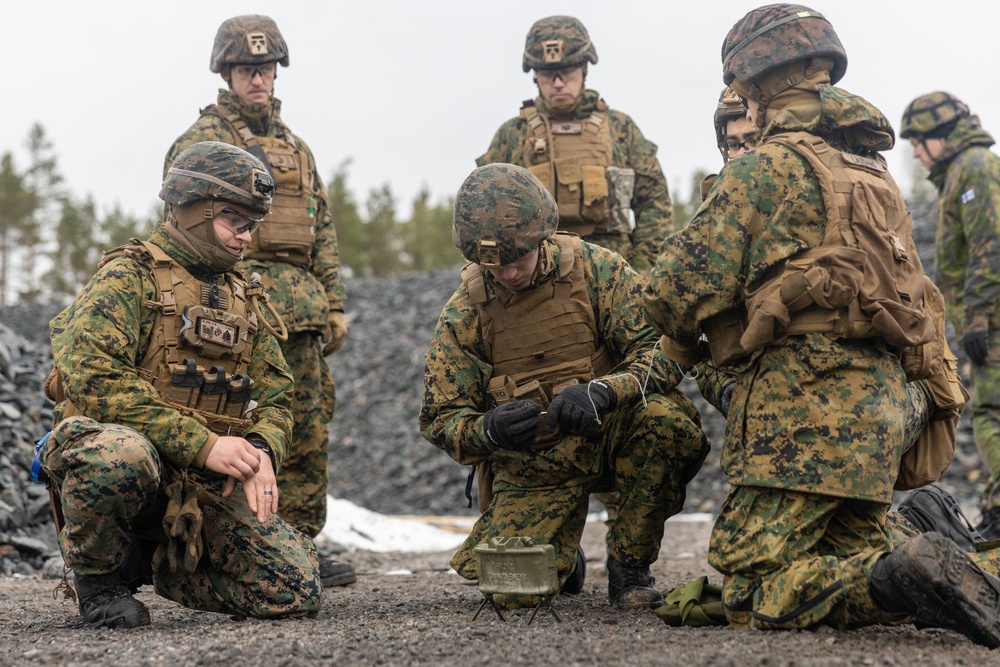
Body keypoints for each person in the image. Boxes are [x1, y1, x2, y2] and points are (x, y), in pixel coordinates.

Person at [644, 3, 1000, 648]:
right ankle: (955, 571)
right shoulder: (873, 173)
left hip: (805, 408)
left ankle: (907, 575)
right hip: (883, 409)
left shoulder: (769, 167)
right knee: (850, 549)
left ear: (753, 81)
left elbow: (673, 292)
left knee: (755, 587)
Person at [40, 141, 321, 629]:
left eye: (252, 226)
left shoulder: (243, 296)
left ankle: (151, 563)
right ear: (194, 211)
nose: (244, 239)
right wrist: (203, 443)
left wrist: (260, 449)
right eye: (236, 222)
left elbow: (278, 395)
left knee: (294, 589)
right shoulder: (127, 277)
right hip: (127, 464)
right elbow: (94, 377)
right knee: (121, 455)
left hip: (198, 481)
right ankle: (99, 580)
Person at [419, 163, 709, 609]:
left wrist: (607, 390)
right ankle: (563, 555)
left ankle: (629, 566)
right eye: (494, 265)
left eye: (518, 260)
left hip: (612, 435)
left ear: (542, 238)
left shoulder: (598, 271)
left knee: (667, 425)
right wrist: (488, 430)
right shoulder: (464, 314)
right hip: (536, 464)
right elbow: (440, 417)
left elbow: (664, 350)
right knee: (514, 595)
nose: (509, 274)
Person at [164, 15, 353, 587]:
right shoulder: (200, 143)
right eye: (248, 69)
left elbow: (322, 230)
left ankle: (299, 544)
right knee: (230, 424)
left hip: (302, 315)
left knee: (305, 427)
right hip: (235, 311)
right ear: (226, 71)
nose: (259, 80)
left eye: (266, 69)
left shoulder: (297, 148)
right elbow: (180, 229)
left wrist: (335, 303)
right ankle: (233, 542)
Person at [476, 15, 673, 275]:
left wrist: (640, 270)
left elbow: (654, 205)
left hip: (614, 270)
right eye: (547, 74)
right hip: (536, 273)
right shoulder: (513, 135)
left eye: (566, 72)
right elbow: (484, 216)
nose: (558, 83)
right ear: (535, 76)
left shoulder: (620, 129)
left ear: (584, 69)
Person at [900, 92, 1000, 539]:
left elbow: (991, 245)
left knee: (991, 413)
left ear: (941, 134)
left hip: (993, 320)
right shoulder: (963, 169)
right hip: (988, 317)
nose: (916, 153)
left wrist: (977, 319)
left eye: (919, 142)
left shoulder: (975, 167)